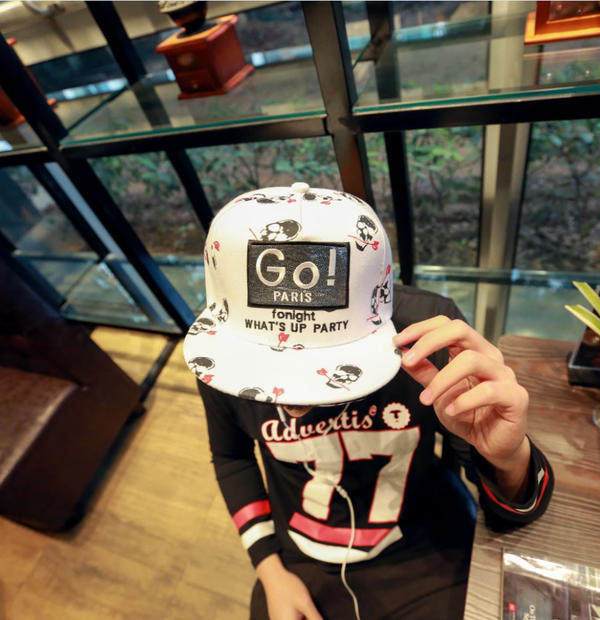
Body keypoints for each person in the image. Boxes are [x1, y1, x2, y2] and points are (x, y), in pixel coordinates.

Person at [184, 183, 554, 620]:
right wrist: (269, 569)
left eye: (321, 363)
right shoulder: (221, 353)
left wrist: (509, 459)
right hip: (299, 557)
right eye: (266, 363)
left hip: (426, 545)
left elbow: (512, 517)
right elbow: (232, 457)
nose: (293, 397)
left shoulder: (427, 335)